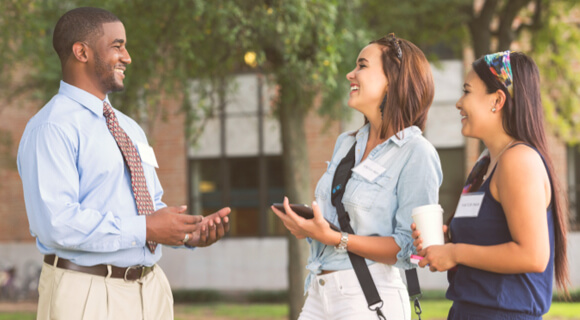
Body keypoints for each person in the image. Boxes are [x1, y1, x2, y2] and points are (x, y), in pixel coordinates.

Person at [17, 7, 230, 320]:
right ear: (82, 52)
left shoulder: (130, 128)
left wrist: (186, 234)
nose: (127, 56)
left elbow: (150, 205)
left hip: (151, 290)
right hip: (86, 293)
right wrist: (146, 228)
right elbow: (56, 224)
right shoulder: (51, 128)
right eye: (117, 46)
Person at [272, 33, 442, 319]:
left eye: (362, 66)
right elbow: (339, 220)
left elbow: (409, 249)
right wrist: (310, 229)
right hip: (319, 289)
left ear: (393, 80)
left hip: (369, 297)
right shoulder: (346, 143)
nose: (351, 74)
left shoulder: (417, 153)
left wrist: (336, 238)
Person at [412, 51, 570, 319]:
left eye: (467, 92)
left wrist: (456, 252)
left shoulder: (519, 161)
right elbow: (491, 239)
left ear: (497, 100)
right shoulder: (485, 165)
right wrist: (445, 243)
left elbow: (533, 255)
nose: (458, 103)